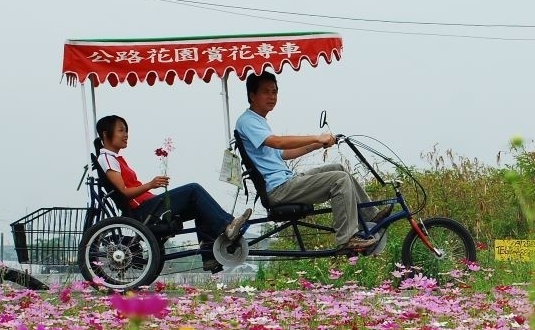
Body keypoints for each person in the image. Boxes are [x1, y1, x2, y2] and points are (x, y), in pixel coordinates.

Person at [235, 71, 391, 255]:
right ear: (252, 95)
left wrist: (316, 144)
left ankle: (371, 216)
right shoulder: (247, 121)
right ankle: (347, 239)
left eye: (275, 92)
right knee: (339, 180)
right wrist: (316, 136)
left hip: (287, 180)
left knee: (338, 169)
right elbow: (277, 142)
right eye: (266, 92)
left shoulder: (259, 121)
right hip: (279, 189)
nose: (272, 97)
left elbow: (283, 153)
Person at [93, 115, 251, 273]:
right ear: (105, 134)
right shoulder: (107, 158)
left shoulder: (115, 158)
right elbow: (125, 192)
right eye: (121, 130)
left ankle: (209, 257)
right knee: (193, 190)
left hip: (151, 204)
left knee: (198, 206)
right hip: (145, 210)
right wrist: (151, 184)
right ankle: (227, 225)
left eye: (126, 131)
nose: (126, 134)